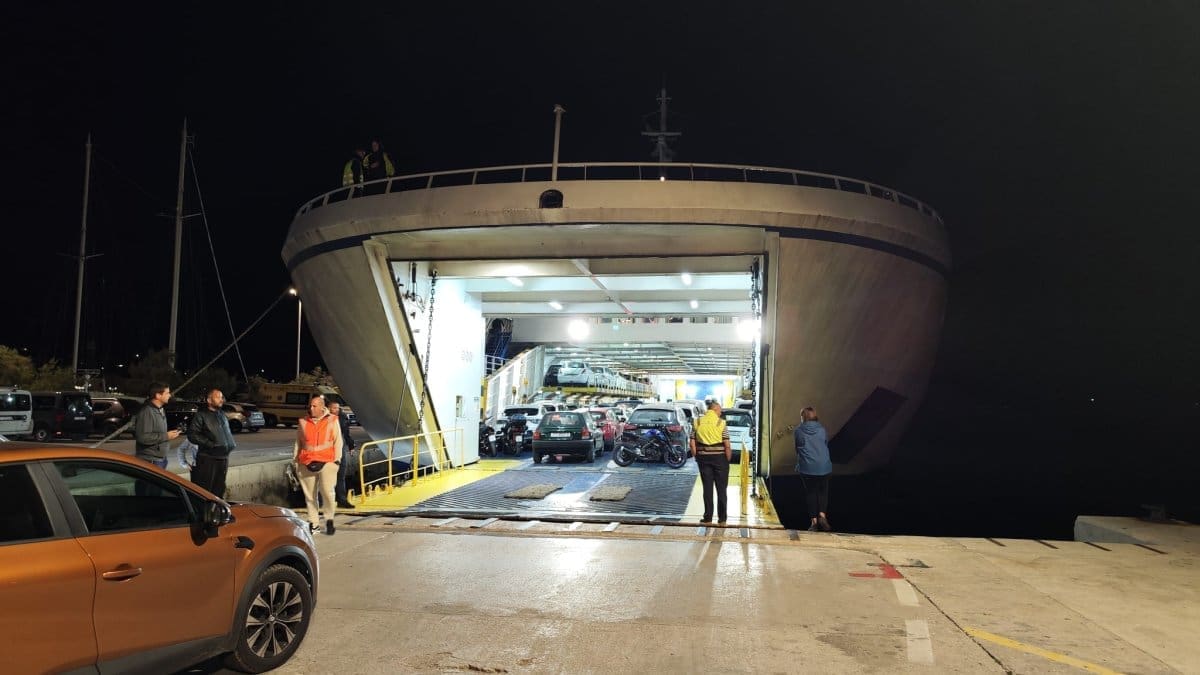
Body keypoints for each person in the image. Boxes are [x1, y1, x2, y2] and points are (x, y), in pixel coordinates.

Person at [294, 394, 344, 535]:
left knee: (328, 493)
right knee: (310, 496)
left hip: (327, 462)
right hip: (306, 462)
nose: (311, 408)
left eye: (314, 406)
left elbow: (338, 441)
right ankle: (314, 524)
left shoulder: (332, 420)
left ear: (322, 407)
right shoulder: (303, 422)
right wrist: (295, 460)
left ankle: (329, 520)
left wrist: (337, 460)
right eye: (310, 405)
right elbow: (298, 442)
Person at [187, 388, 237, 498]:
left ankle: (217, 509)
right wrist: (210, 444)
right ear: (209, 400)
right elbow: (192, 435)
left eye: (222, 397)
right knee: (205, 492)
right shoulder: (201, 415)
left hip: (223, 458)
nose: (221, 399)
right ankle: (203, 509)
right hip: (208, 459)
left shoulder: (222, 415)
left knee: (219, 491)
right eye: (218, 397)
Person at [690, 399, 732, 525]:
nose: (721, 413)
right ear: (715, 409)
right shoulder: (721, 423)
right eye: (720, 411)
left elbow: (692, 443)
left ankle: (708, 517)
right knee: (721, 489)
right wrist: (727, 459)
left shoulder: (697, 422)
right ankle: (722, 519)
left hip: (703, 459)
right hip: (720, 459)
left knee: (707, 488)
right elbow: (727, 444)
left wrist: (696, 456)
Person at [794, 406, 833, 532]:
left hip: (807, 468)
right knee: (823, 491)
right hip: (824, 466)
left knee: (811, 492)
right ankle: (822, 516)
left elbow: (798, 448)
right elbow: (825, 444)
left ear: (803, 417)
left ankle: (814, 522)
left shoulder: (798, 431)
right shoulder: (822, 429)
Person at [133, 381, 181, 469]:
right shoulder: (147, 412)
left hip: (160, 459)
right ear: (158, 395)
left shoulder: (160, 409)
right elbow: (143, 437)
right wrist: (166, 436)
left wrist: (169, 434)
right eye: (167, 393)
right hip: (150, 460)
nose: (170, 395)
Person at [328, 401, 356, 508]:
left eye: (337, 408)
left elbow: (346, 433)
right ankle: (324, 502)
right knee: (327, 477)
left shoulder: (342, 417)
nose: (336, 410)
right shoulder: (324, 419)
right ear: (328, 408)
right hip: (328, 449)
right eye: (334, 408)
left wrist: (351, 445)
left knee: (341, 475)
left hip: (340, 447)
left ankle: (342, 500)